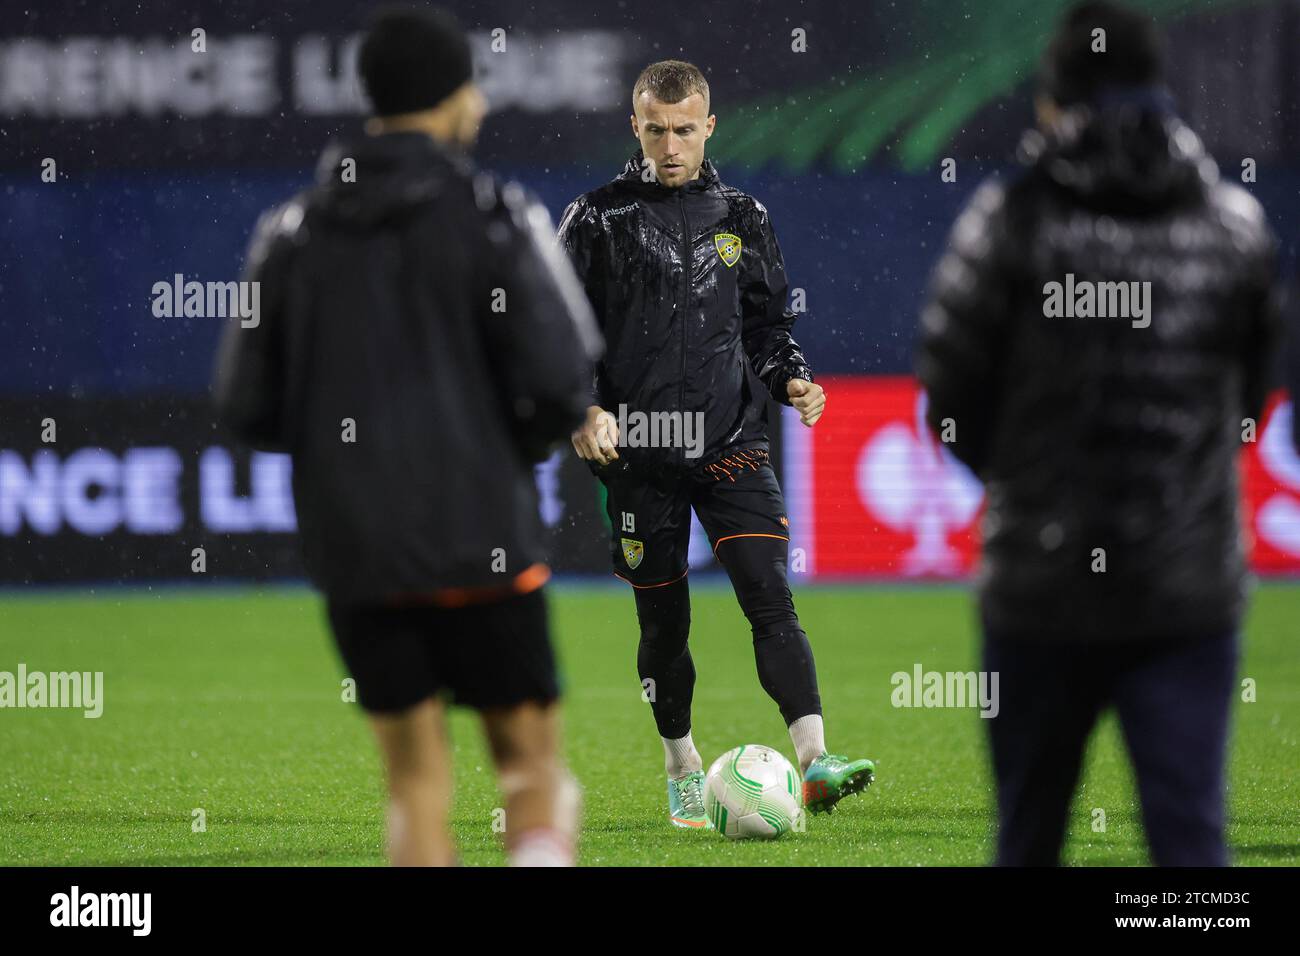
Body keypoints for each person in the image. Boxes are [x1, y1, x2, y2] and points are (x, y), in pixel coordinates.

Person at [213, 6, 601, 866]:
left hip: (356, 551)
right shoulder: (497, 214)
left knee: (416, 786)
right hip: (482, 540)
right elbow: (564, 379)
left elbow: (245, 403)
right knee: (530, 769)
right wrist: (506, 448)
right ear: (458, 94)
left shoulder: (291, 232)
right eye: (475, 88)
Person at [917, 0, 1280, 865]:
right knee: (1191, 845)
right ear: (1163, 90)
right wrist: (1177, 486)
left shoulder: (1006, 222)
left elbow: (949, 395)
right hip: (1184, 589)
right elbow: (1252, 395)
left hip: (1039, 589)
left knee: (1029, 837)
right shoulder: (1232, 226)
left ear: (1052, 101)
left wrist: (1029, 485)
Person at [558, 59, 874, 829]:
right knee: (664, 627)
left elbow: (767, 328)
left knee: (770, 595)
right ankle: (683, 767)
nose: (671, 146)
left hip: (731, 441)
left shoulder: (744, 215)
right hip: (638, 458)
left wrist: (792, 380)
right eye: (657, 130)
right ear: (635, 126)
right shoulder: (596, 219)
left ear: (709, 127)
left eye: (685, 130)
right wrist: (583, 408)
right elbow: (559, 335)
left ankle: (815, 763)